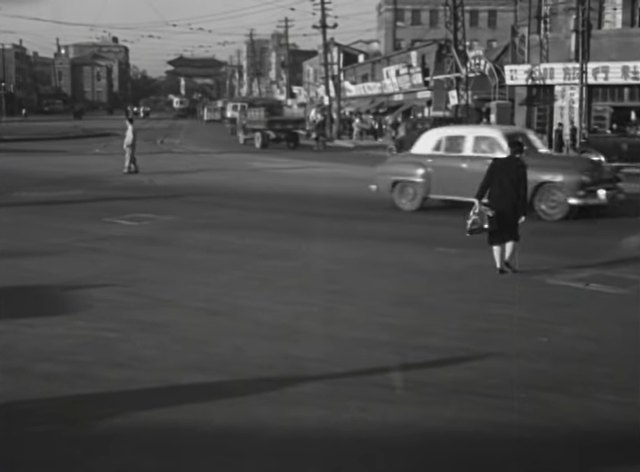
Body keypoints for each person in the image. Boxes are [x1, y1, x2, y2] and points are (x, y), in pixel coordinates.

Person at [474, 138, 528, 274]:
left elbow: (486, 181)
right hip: (511, 204)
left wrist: (478, 197)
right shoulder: (520, 166)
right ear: (521, 153)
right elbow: (523, 191)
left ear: (509, 150)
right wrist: (523, 212)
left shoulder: (496, 163)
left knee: (496, 234)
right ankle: (507, 260)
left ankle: (499, 266)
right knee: (511, 235)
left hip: (494, 203)